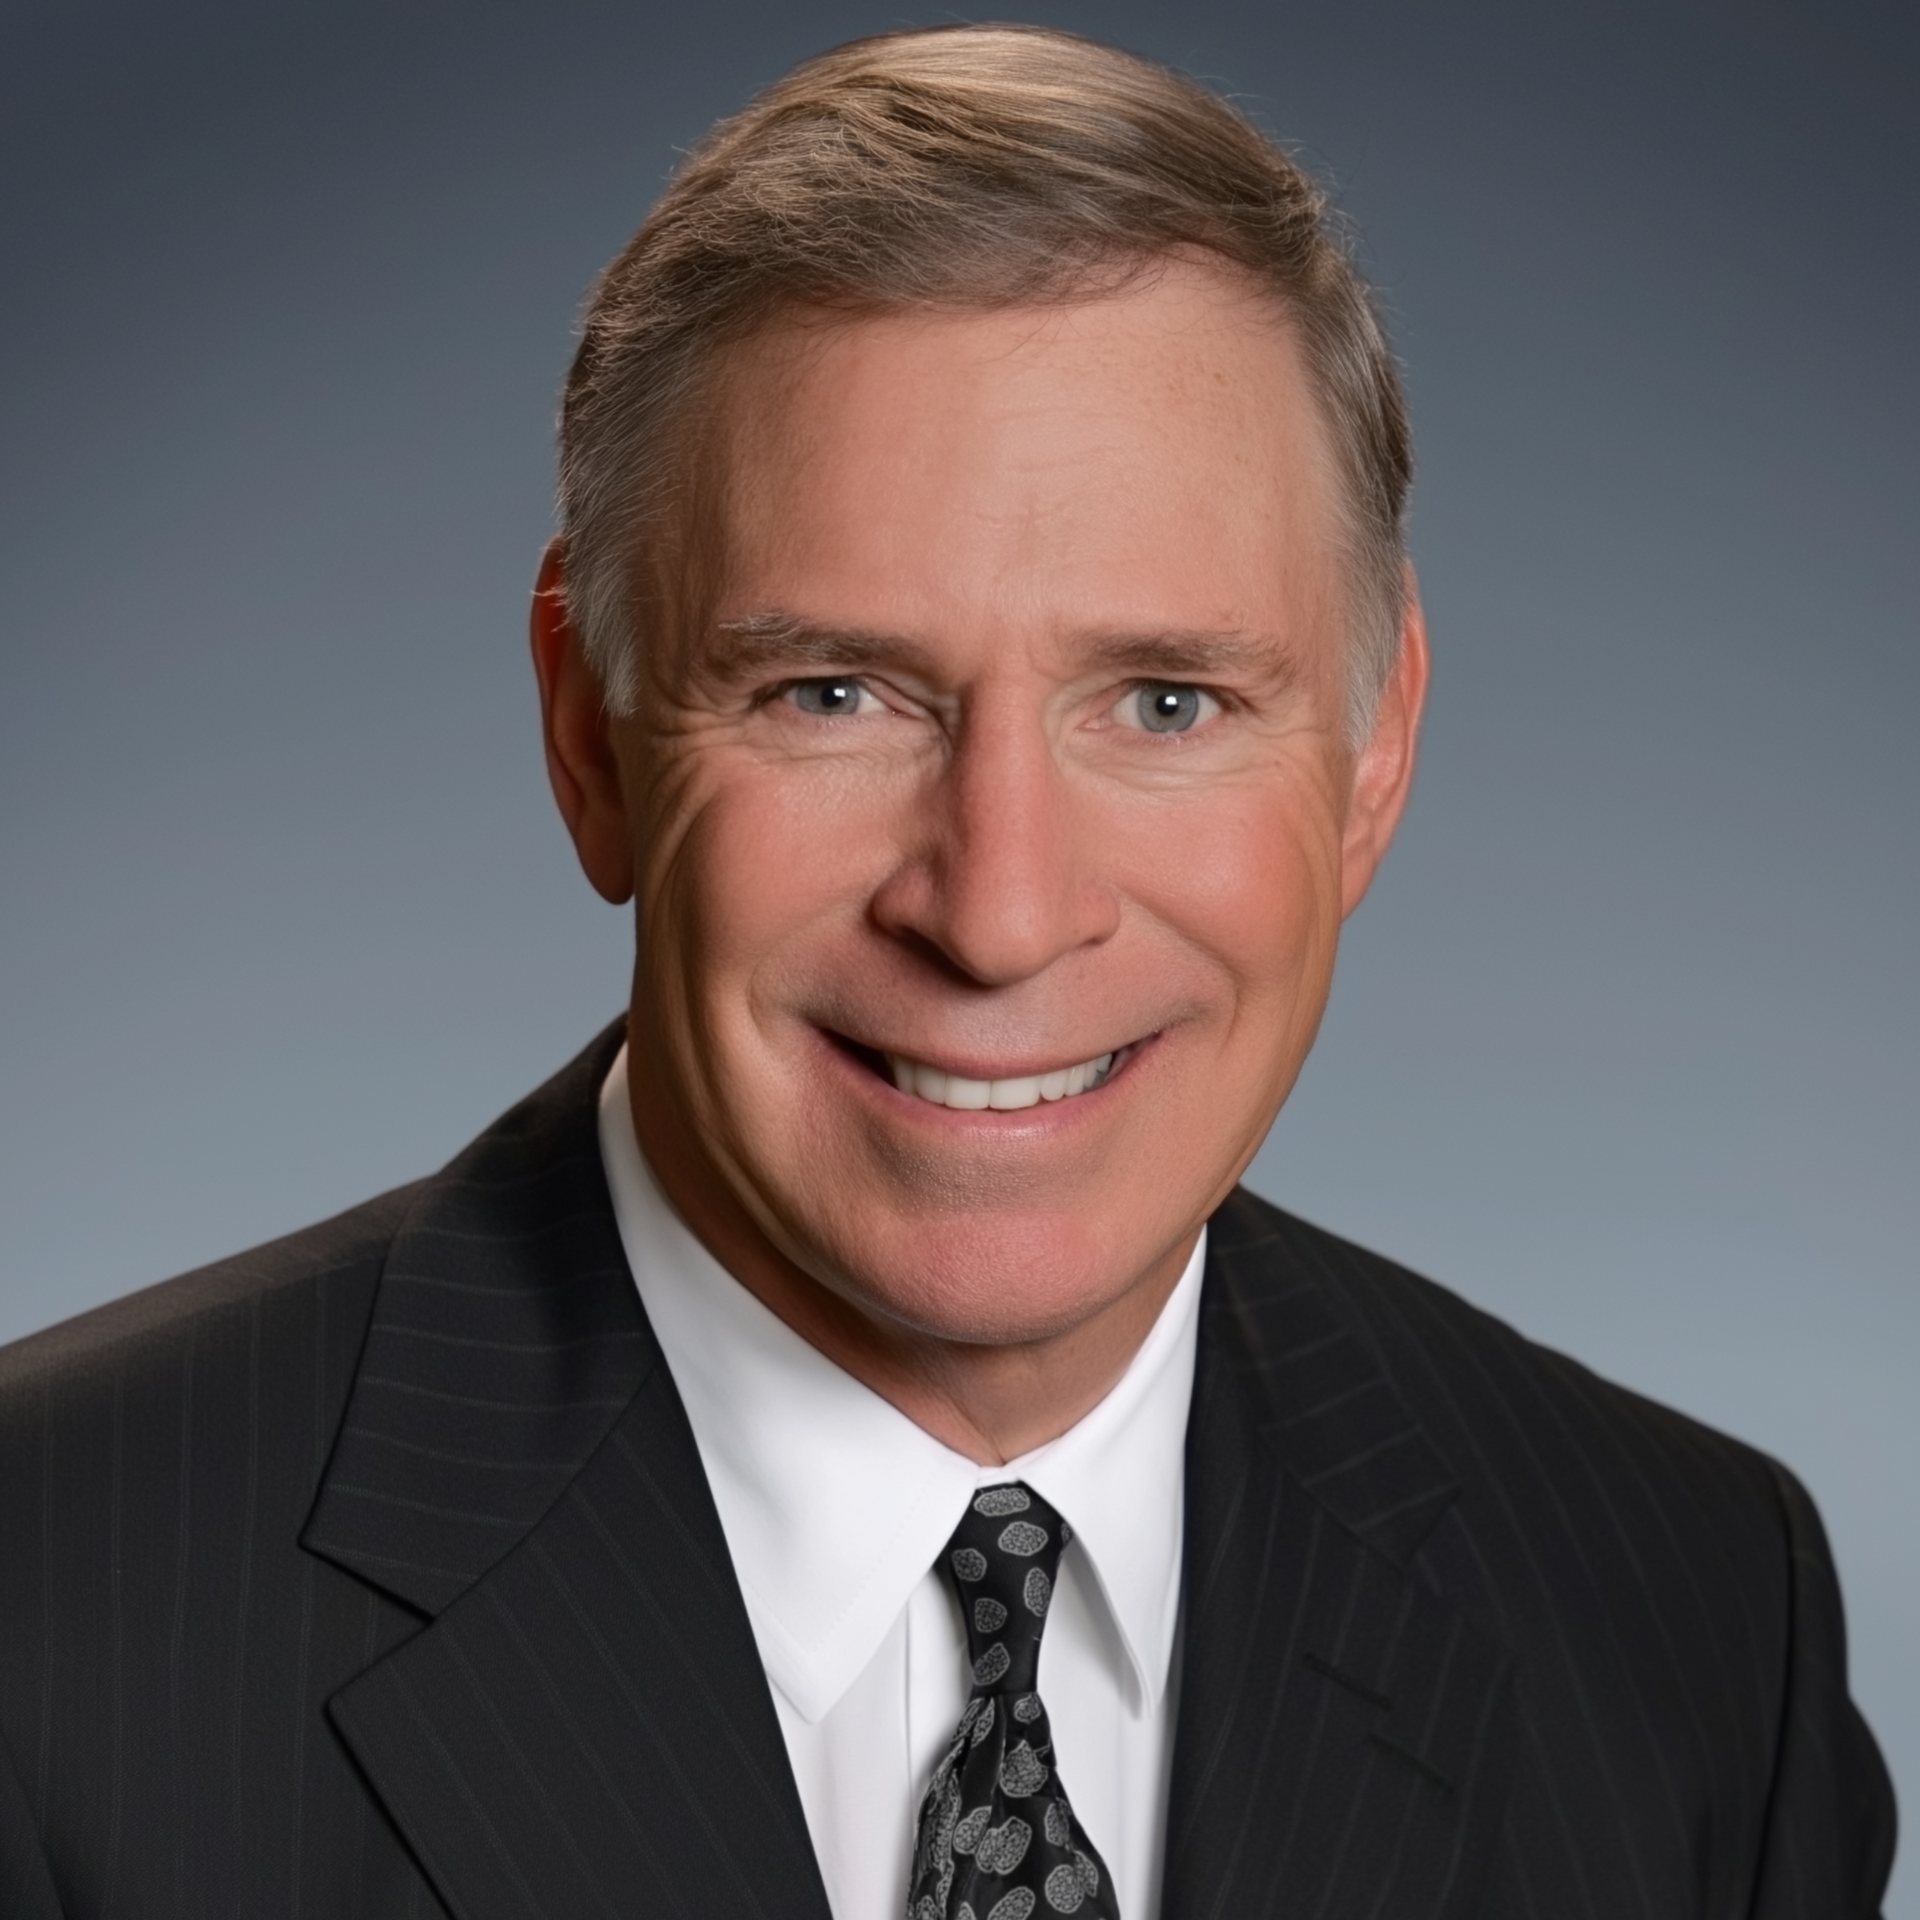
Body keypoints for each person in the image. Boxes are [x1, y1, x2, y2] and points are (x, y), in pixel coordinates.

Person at [0, 23, 1895, 1920]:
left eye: (1166, 700)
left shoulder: (1696, 1624)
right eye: (834, 692)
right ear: (590, 734)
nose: (997, 914)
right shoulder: (53, 1611)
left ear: (1371, 759)